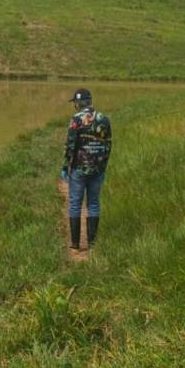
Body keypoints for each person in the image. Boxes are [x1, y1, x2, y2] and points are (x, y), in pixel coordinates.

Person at [61, 88, 112, 250]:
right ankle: (92, 244)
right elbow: (108, 145)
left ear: (78, 103)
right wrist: (103, 167)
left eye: (75, 102)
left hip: (79, 169)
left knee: (75, 204)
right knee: (94, 204)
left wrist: (65, 166)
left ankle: (75, 244)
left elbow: (70, 146)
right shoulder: (104, 119)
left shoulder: (76, 119)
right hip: (97, 168)